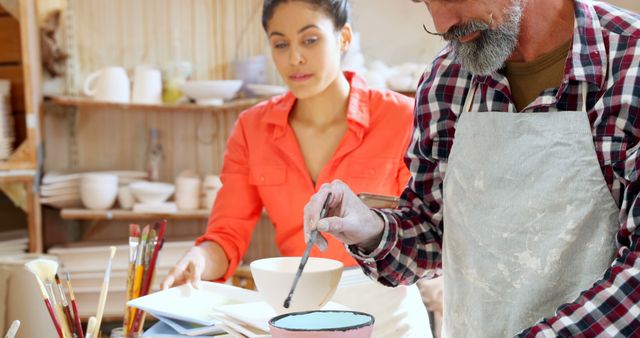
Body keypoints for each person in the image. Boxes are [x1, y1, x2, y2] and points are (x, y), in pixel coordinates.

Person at [303, 0, 640, 336]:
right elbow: (434, 231)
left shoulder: (630, 62)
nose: (441, 22)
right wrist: (371, 228)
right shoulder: (445, 80)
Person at [162, 0, 433, 337]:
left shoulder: (403, 118)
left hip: (388, 310)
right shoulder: (252, 128)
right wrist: (200, 260)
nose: (294, 58)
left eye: (310, 40)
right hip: (298, 313)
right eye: (280, 44)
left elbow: (423, 226)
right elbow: (226, 236)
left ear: (344, 38)